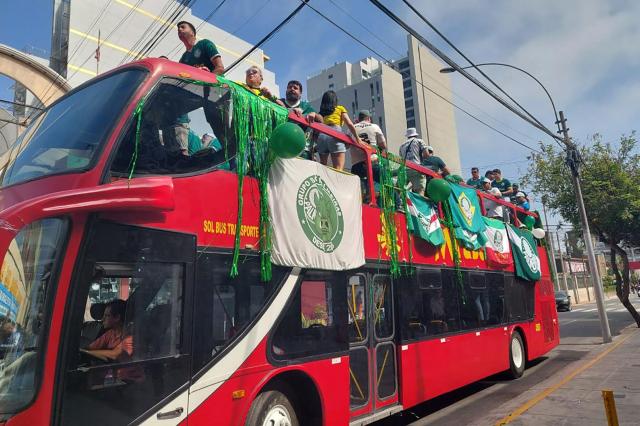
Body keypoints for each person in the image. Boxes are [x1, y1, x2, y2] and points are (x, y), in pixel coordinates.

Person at [82, 299, 143, 383]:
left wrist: (89, 352)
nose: (103, 319)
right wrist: (84, 351)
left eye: (107, 315)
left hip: (131, 381)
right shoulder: (111, 333)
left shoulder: (131, 335)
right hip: (114, 378)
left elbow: (116, 354)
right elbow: (90, 348)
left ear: (117, 317)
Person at [317, 90, 362, 170]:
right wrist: (357, 138)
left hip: (322, 135)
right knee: (338, 169)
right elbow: (349, 123)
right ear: (335, 100)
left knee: (322, 167)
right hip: (335, 134)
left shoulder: (321, 113)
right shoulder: (340, 108)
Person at [279, 80, 322, 159]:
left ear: (300, 93)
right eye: (289, 87)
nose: (292, 89)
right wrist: (287, 110)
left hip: (302, 151)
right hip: (281, 147)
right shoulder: (279, 102)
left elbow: (321, 120)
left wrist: (314, 114)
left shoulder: (305, 106)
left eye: (295, 88)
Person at [351, 110, 387, 184]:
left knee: (359, 188)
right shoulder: (374, 126)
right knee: (385, 183)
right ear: (368, 118)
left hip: (356, 166)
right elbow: (383, 145)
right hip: (372, 163)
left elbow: (347, 145)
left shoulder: (351, 128)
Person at [399, 128, 429, 195]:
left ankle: (400, 203)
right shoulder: (419, 141)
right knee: (419, 191)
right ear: (415, 135)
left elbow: (401, 158)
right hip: (416, 169)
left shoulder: (402, 146)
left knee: (400, 190)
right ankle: (418, 205)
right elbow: (426, 155)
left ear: (408, 136)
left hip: (405, 170)